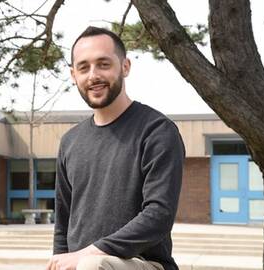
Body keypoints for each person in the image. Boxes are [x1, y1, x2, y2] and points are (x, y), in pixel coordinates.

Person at [45, 26, 185, 270]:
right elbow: (63, 221)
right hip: (82, 266)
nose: (93, 75)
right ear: (73, 75)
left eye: (103, 64)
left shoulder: (157, 131)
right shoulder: (70, 141)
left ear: (125, 66)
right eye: (84, 67)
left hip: (143, 263)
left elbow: (159, 216)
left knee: (92, 265)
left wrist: (87, 254)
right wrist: (61, 261)